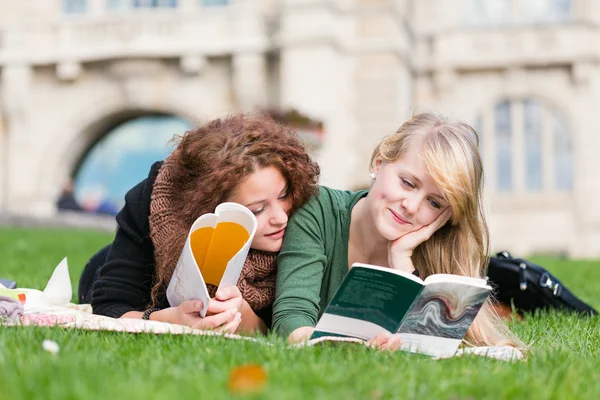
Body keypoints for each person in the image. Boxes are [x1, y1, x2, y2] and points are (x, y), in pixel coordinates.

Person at [273, 112, 524, 351]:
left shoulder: (436, 248)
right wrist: (343, 346)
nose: (411, 206)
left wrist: (403, 263)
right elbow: (291, 318)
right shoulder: (319, 209)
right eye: (407, 183)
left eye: (434, 203)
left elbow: (432, 345)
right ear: (378, 163)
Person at [81, 113, 320, 334]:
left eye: (283, 195)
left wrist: (245, 317)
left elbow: (283, 327)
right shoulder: (150, 201)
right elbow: (110, 307)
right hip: (108, 270)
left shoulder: (309, 219)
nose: (280, 217)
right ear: (210, 209)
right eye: (256, 210)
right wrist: (168, 320)